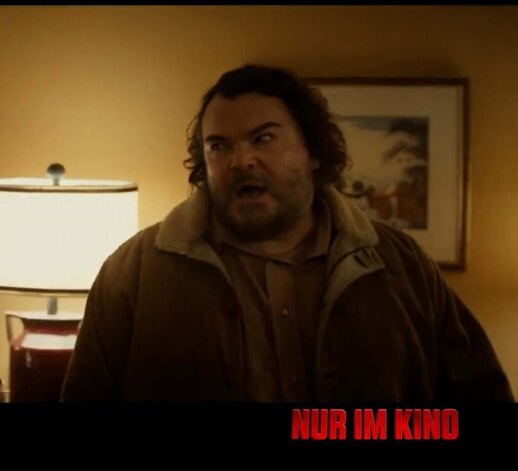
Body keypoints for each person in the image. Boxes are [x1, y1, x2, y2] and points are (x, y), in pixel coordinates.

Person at [62, 64, 513, 402]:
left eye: (263, 139)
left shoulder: (401, 265)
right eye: (219, 146)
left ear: (313, 152)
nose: (240, 161)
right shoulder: (135, 273)